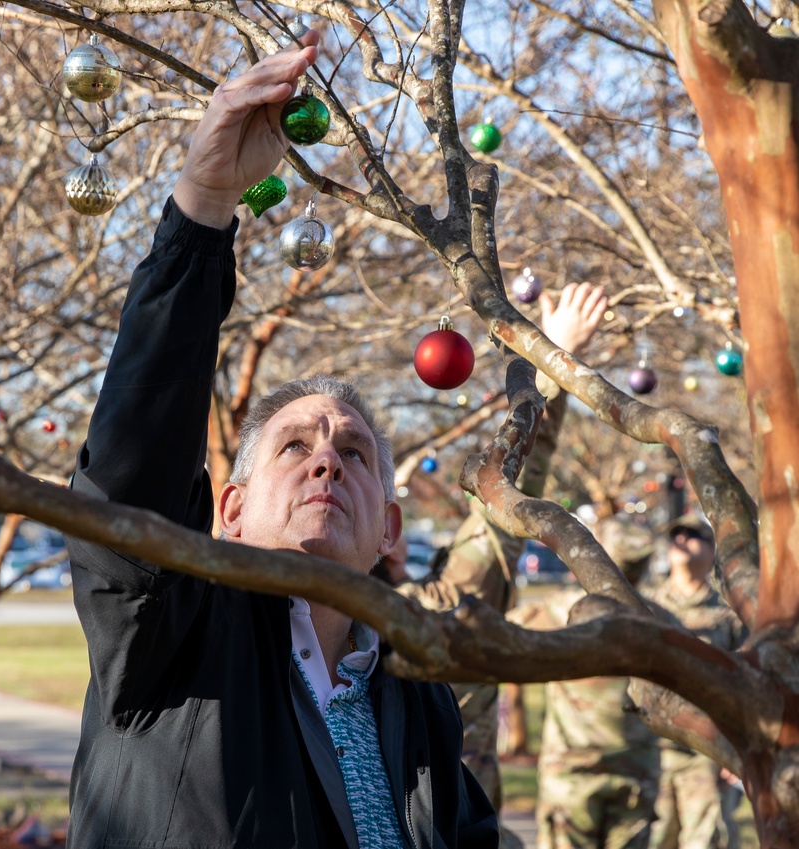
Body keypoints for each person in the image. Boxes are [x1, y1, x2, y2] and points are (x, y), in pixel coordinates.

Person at [63, 31, 498, 849]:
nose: (328, 457)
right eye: (294, 446)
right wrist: (203, 206)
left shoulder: (415, 686)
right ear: (229, 509)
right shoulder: (174, 631)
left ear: (390, 531)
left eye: (354, 452)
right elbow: (133, 472)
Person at [400, 279, 608, 834]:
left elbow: (509, 496)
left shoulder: (436, 603)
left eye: (356, 464)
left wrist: (547, 370)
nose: (329, 473)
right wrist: (550, 364)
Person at [509, 516, 661, 849]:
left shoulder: (563, 609)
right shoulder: (661, 621)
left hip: (573, 773)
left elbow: (504, 633)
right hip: (635, 771)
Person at [644, 515, 746, 849]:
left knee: (706, 841)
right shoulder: (646, 607)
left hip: (707, 753)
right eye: (677, 534)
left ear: (712, 549)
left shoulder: (730, 615)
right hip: (651, 751)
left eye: (694, 534)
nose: (683, 539)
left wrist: (738, 749)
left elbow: (746, 686)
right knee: (651, 839)